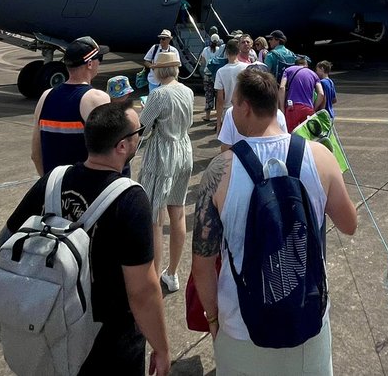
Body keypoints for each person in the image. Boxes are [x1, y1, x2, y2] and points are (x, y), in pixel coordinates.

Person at [191, 67, 358, 373]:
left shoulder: (219, 171)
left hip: (241, 327)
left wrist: (213, 318)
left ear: (245, 107)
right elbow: (350, 224)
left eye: (233, 104)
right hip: (308, 319)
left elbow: (203, 266)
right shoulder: (319, 155)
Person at [3, 103, 171, 376]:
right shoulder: (129, 199)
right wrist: (161, 348)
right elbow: (142, 291)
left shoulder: (52, 181)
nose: (139, 138)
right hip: (109, 345)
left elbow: (5, 243)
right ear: (121, 147)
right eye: (137, 133)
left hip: (52, 332)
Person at [137, 49, 194, 294]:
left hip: (162, 153)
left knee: (155, 218)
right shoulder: (188, 91)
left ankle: (154, 275)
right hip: (184, 149)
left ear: (159, 70)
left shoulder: (158, 95)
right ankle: (172, 273)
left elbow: (143, 127)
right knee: (177, 212)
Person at [31, 37, 112, 176]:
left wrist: (48, 183)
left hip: (53, 188)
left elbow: (35, 155)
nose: (100, 63)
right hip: (86, 191)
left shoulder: (45, 96)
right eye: (100, 58)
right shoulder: (97, 99)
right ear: (90, 63)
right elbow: (110, 154)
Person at [213, 39, 248, 137]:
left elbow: (220, 100)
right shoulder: (246, 68)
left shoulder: (220, 72)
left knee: (228, 146)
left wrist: (218, 124)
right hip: (244, 110)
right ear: (239, 51)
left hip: (227, 113)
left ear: (226, 52)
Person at [279, 56, 322, 132]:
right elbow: (321, 94)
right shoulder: (314, 75)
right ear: (306, 65)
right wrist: (314, 108)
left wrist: (282, 108)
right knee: (308, 134)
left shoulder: (288, 70)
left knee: (291, 135)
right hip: (308, 108)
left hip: (292, 107)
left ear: (295, 64)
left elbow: (282, 87)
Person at [143, 29, 176, 93]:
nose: (161, 40)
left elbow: (176, 65)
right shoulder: (155, 48)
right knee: (153, 99)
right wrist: (152, 66)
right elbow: (146, 61)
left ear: (169, 39)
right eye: (160, 38)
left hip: (167, 82)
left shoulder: (174, 50)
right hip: (154, 81)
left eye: (163, 39)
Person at [199, 35, 222, 120]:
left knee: (208, 95)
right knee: (218, 95)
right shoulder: (219, 50)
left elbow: (203, 62)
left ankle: (208, 116)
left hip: (207, 74)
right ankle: (217, 116)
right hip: (217, 75)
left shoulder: (205, 50)